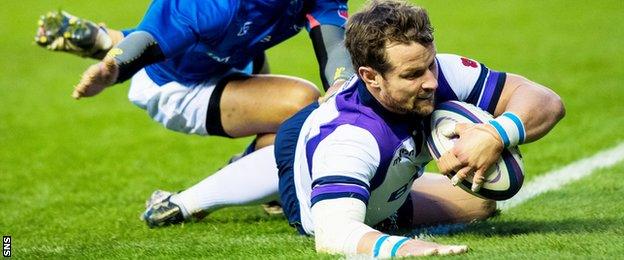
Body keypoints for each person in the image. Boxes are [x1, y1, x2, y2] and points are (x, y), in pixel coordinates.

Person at [141, 0, 564, 257]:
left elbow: (545, 100)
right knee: (329, 196)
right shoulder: (352, 138)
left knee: (480, 205)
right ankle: (182, 202)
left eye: (431, 64)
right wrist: (404, 248)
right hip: (307, 153)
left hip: (386, 186)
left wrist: (497, 133)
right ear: (371, 76)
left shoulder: (438, 71)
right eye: (414, 74)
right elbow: (333, 235)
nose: (432, 81)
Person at [35, 0, 354, 157]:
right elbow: (150, 42)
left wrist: (341, 87)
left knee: (326, 111)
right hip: (176, 87)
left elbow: (334, 43)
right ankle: (193, 198)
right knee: (303, 106)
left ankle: (104, 39)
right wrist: (113, 68)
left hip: (233, 59)